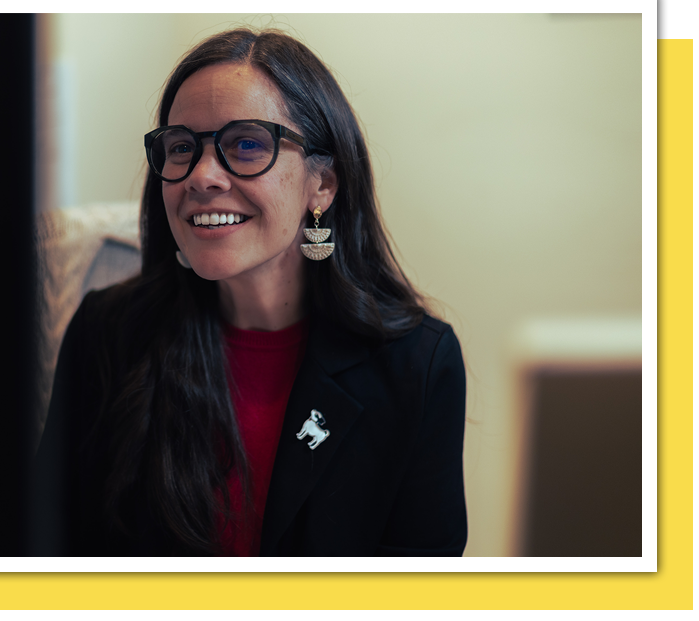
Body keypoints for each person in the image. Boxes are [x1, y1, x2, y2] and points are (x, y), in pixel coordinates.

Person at [33, 28, 467, 557]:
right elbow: (48, 553)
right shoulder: (108, 333)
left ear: (322, 184)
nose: (202, 176)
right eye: (181, 147)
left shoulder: (416, 364)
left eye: (246, 144)